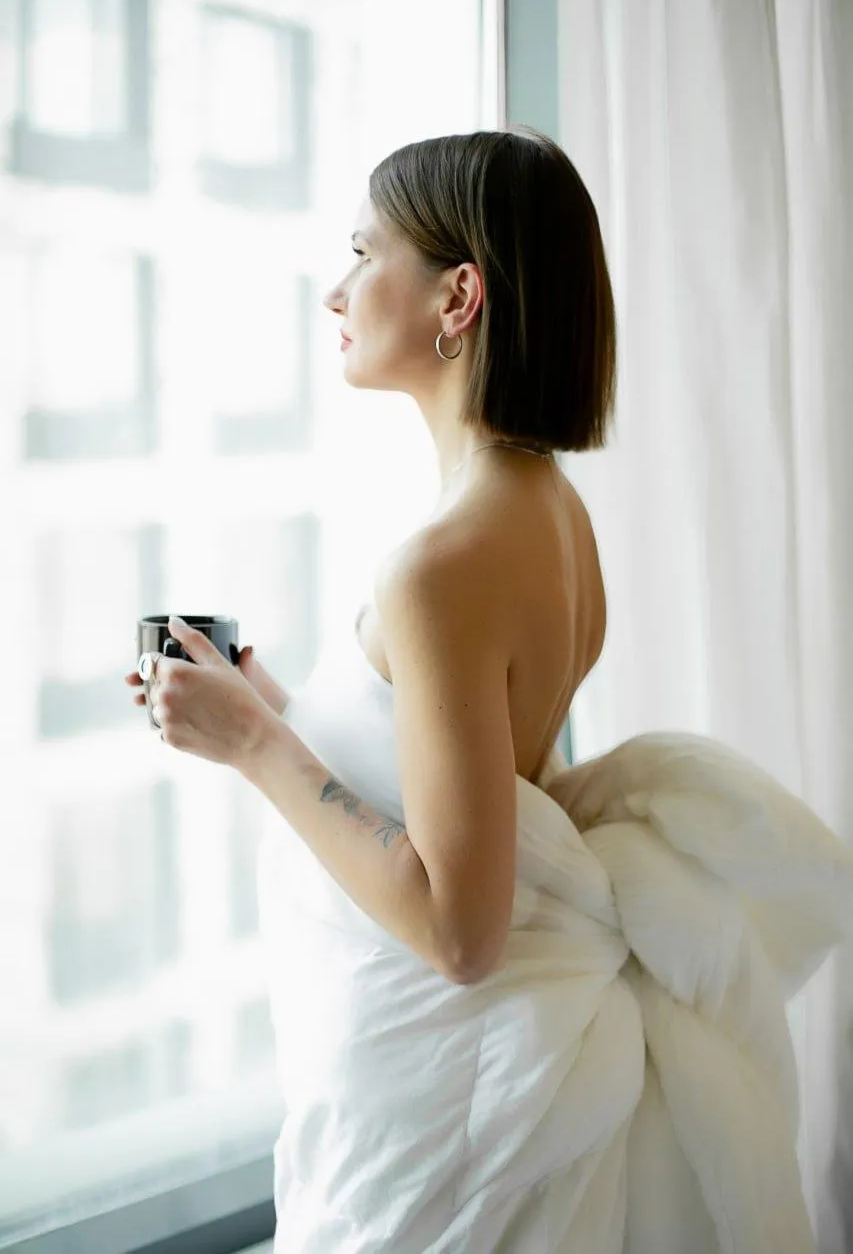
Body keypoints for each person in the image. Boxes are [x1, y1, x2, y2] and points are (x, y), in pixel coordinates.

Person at [126, 127, 853, 1251]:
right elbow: (483, 774)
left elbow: (459, 926)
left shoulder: (441, 562)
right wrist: (262, 696)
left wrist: (254, 748)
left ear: (456, 296)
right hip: (480, 1067)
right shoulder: (551, 513)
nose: (335, 289)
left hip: (443, 1087)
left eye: (363, 251)